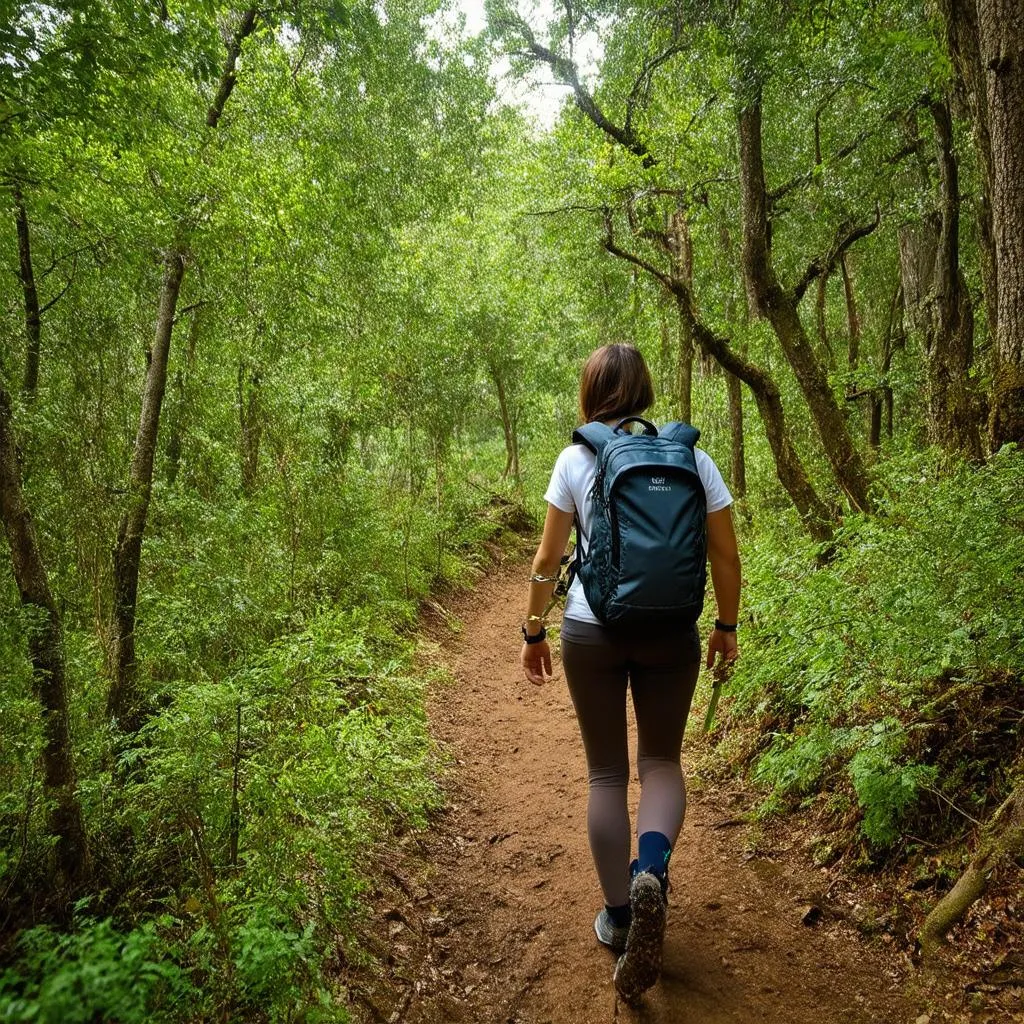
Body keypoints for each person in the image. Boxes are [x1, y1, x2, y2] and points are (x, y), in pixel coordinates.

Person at [520, 343, 741, 1003]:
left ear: (592, 392)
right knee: (662, 765)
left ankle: (619, 915)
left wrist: (533, 628)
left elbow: (546, 558)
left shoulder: (575, 457)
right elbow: (726, 555)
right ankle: (652, 869)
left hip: (591, 628)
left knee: (606, 773)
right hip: (671, 630)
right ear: (644, 391)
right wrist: (726, 628)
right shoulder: (692, 458)